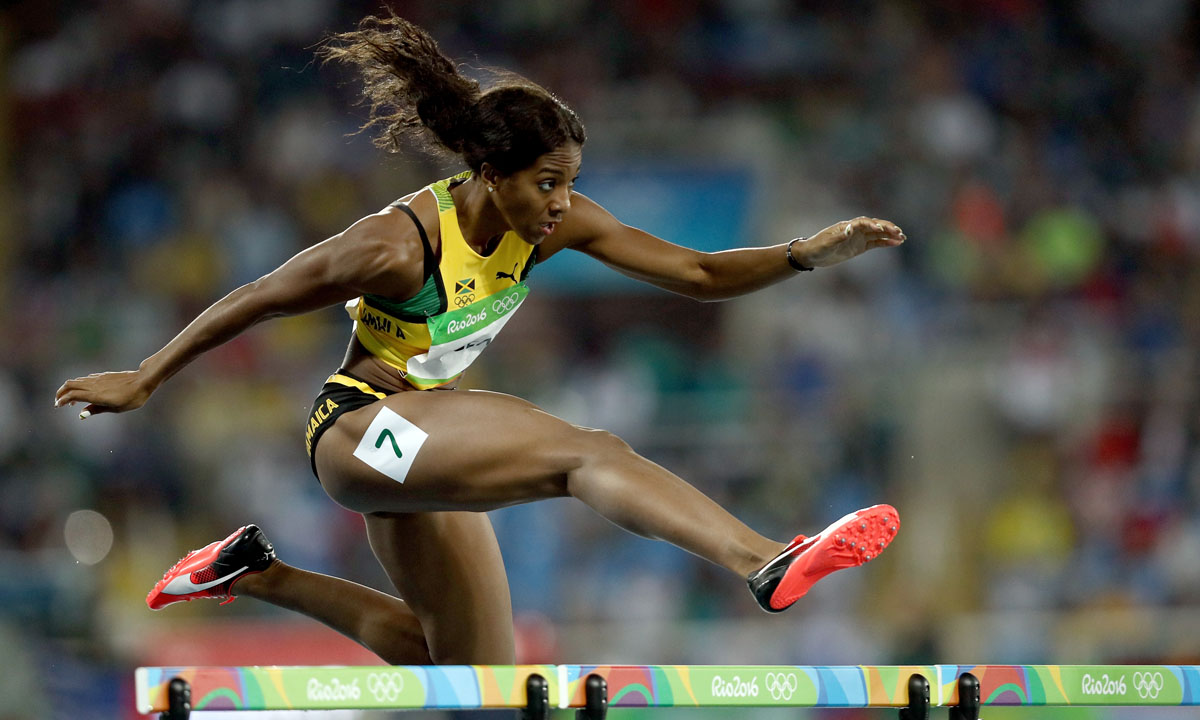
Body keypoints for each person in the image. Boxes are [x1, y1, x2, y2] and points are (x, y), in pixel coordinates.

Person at [55, 13, 905, 665]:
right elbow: (258, 297)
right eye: (547, 184)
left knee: (470, 673)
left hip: (421, 445)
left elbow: (700, 275)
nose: (564, 204)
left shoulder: (552, 225)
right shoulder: (395, 244)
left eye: (571, 184)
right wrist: (146, 377)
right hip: (358, 431)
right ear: (490, 176)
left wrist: (805, 254)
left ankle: (254, 572)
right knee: (586, 452)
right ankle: (762, 560)